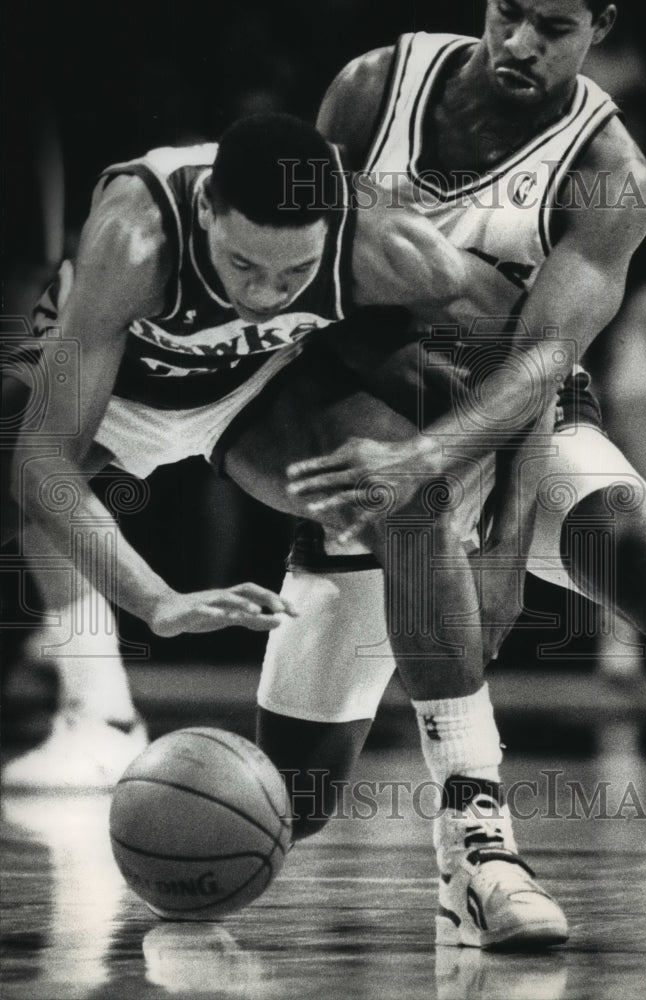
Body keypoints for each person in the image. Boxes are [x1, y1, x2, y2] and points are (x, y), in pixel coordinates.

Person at [246, 0, 646, 951]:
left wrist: (502, 542)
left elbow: (539, 367)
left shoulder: (609, 173)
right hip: (360, 399)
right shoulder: (374, 87)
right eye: (507, 14)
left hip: (507, 419)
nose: (519, 43)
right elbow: (310, 281)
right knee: (290, 799)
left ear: (599, 26)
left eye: (551, 27)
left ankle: (476, 851)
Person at [3, 111, 534, 788]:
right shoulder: (137, 235)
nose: (263, 294)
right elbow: (43, 461)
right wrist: (155, 600)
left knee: (412, 500)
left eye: (295, 274)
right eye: (242, 264)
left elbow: (540, 362)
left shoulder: (396, 252)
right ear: (205, 209)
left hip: (247, 392)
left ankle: (470, 795)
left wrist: (508, 553)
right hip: (112, 395)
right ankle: (101, 710)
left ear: (332, 230)